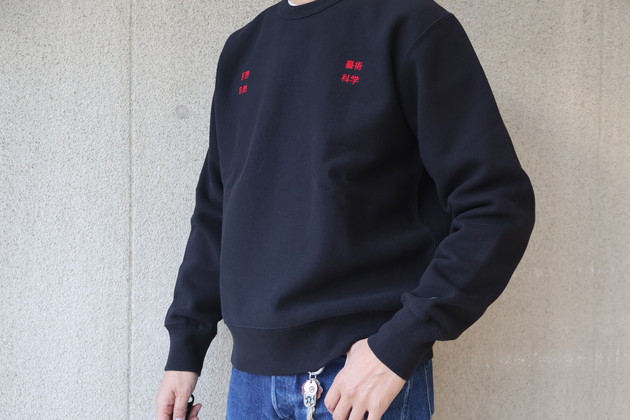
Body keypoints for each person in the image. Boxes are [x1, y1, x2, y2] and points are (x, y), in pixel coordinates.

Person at [155, 0, 536, 418]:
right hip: (251, 386)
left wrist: (399, 343)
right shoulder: (243, 49)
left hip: (361, 379)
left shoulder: (411, 26)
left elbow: (496, 205)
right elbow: (216, 212)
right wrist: (185, 347)